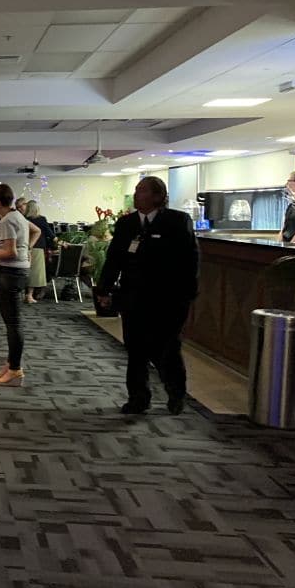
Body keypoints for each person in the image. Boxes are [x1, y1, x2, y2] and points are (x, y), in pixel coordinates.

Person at [97, 176, 199, 415]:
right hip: (133, 298)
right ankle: (138, 398)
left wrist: (188, 294)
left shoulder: (177, 221)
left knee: (167, 348)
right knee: (136, 349)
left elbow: (190, 260)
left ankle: (176, 393)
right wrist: (104, 289)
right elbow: (114, 259)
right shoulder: (127, 224)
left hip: (168, 299)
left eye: (141, 191)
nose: (136, 194)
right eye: (136, 190)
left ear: (157, 196)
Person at [0, 184, 40, 386]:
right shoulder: (18, 217)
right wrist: (27, 247)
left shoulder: (7, 221)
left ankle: (15, 369)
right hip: (17, 271)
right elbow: (35, 231)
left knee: (13, 324)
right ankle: (12, 364)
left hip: (10, 272)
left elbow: (9, 252)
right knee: (13, 323)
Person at [24, 200, 57, 303]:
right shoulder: (41, 219)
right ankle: (29, 296)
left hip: (25, 248)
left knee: (26, 272)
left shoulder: (24, 219)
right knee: (34, 274)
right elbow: (51, 235)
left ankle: (26, 295)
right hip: (37, 249)